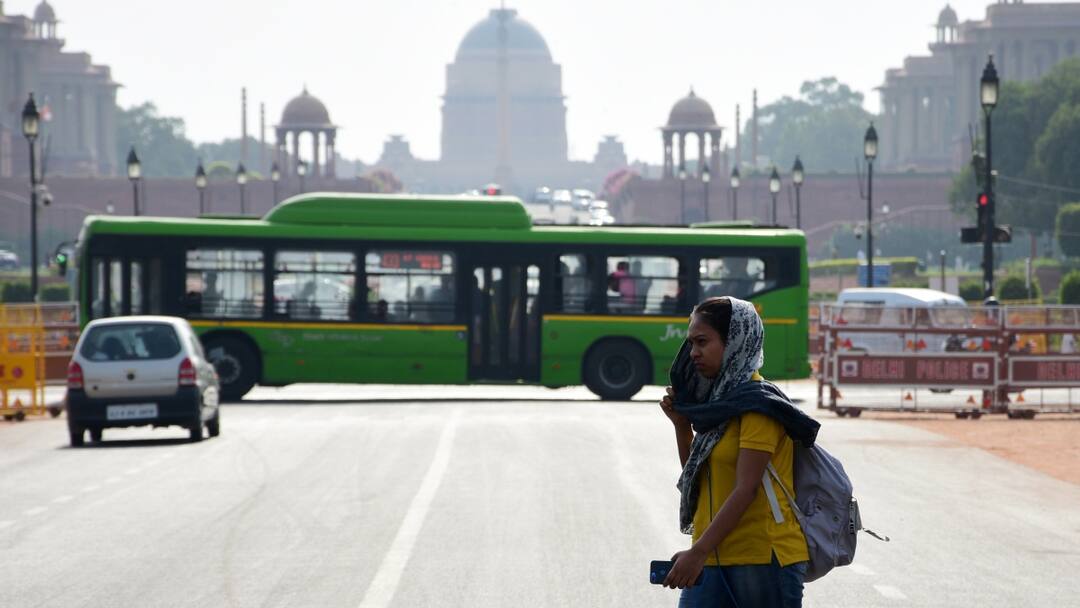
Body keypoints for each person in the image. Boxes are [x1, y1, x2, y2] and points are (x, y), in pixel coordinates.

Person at [658, 296, 817, 607]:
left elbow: (746, 488)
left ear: (734, 341)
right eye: (691, 344)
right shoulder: (717, 405)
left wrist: (699, 552)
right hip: (712, 554)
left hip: (761, 559)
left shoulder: (760, 405)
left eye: (702, 342)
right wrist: (681, 426)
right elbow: (698, 482)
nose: (693, 353)